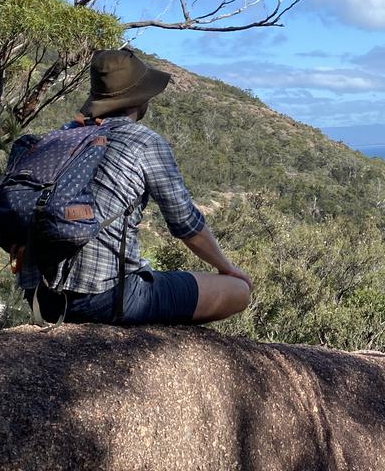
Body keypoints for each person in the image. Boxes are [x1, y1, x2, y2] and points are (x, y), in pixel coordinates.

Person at [18, 49, 252, 325]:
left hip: (42, 298)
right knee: (239, 292)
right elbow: (186, 224)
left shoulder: (64, 135)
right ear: (139, 98)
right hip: (107, 299)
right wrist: (227, 268)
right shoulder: (144, 142)